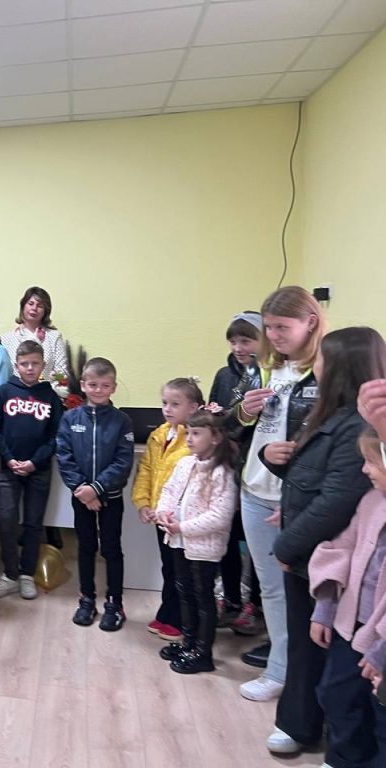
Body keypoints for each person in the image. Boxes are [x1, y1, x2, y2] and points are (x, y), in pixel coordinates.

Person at [260, 327, 383, 756]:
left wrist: (285, 546)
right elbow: (309, 475)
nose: (315, 367)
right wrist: (270, 459)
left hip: (326, 557)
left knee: (329, 654)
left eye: (322, 360)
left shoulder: (359, 427)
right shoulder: (329, 414)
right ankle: (301, 724)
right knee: (307, 647)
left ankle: (333, 741)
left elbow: (337, 501)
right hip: (307, 551)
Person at [230, 285, 325, 703]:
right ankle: (279, 672)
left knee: (307, 595)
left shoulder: (326, 373)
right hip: (254, 491)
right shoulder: (264, 369)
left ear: (311, 322)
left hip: (298, 500)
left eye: (282, 327)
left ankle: (307, 686)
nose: (273, 336)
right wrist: (243, 411)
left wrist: (292, 495)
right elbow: (234, 424)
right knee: (270, 590)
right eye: (268, 328)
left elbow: (332, 445)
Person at [306, 427, 386, 767]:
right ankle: (344, 759)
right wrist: (325, 608)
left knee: (380, 713)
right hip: (350, 627)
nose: (364, 470)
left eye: (372, 461)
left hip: (380, 641)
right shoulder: (371, 501)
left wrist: (382, 649)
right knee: (335, 695)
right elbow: (341, 549)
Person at [154, 408, 238, 674]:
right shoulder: (185, 463)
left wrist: (183, 527)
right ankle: (188, 643)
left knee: (203, 597)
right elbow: (169, 490)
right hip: (178, 540)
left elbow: (220, 516)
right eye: (188, 432)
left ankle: (203, 652)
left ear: (216, 438)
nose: (189, 438)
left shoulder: (222, 472)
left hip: (203, 547)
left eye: (197, 433)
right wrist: (163, 512)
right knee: (184, 591)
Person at [57, 357, 136, 630]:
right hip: (81, 498)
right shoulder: (69, 419)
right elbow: (64, 457)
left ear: (113, 387)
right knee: (86, 547)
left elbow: (123, 462)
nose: (99, 390)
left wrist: (96, 489)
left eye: (105, 385)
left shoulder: (122, 421)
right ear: (83, 385)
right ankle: (87, 599)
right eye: (93, 385)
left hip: (110, 498)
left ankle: (115, 603)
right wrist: (83, 490)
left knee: (111, 548)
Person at [0, 340, 65, 601]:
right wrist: (9, 458)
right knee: (7, 521)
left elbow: (56, 437)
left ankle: (27, 575)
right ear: (16, 365)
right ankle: (10, 574)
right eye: (24, 364)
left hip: (39, 470)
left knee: (33, 524)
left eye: (35, 363)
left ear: (43, 365)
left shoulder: (51, 397)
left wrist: (34, 461)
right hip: (8, 469)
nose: (30, 368)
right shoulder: (4, 392)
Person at [133, 377, 205, 644]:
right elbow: (146, 470)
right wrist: (144, 503)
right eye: (165, 403)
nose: (167, 409)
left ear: (194, 408)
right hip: (161, 516)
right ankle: (168, 613)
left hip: (184, 520)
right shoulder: (159, 434)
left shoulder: (196, 439)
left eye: (175, 404)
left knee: (184, 572)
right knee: (169, 567)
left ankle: (183, 620)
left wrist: (173, 511)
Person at [209, 311, 264, 633]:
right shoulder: (224, 375)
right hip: (227, 465)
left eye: (246, 340)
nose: (238, 348)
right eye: (233, 341)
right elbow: (215, 419)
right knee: (226, 534)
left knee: (255, 538)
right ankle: (230, 599)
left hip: (259, 468)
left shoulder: (269, 376)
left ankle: (254, 604)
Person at [0, 286, 68, 380]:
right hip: (15, 388)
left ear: (45, 311)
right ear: (23, 306)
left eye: (40, 306)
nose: (34, 308)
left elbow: (63, 372)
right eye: (30, 304)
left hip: (47, 388)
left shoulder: (54, 337)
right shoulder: (7, 338)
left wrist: (50, 383)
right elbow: (3, 373)